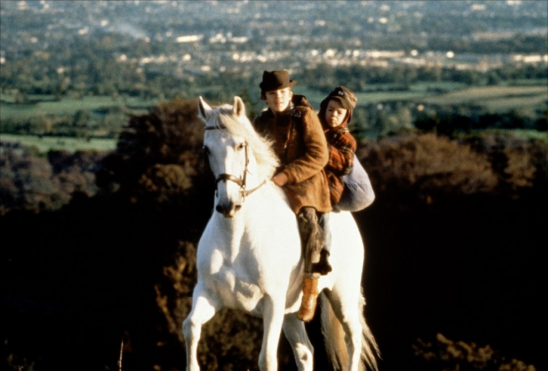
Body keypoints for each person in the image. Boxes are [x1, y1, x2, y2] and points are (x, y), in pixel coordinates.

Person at [253, 70, 331, 322]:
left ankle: (311, 286)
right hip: (272, 181)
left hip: (304, 181)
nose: (279, 98)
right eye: (273, 94)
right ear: (265, 97)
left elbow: (319, 155)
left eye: (283, 93)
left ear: (290, 93)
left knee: (308, 220)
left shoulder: (303, 115)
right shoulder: (261, 122)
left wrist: (286, 176)